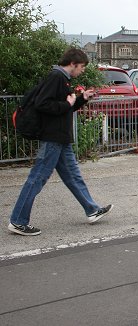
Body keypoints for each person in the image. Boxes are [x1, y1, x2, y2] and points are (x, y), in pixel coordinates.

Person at [8, 48, 113, 236]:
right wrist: (69, 103)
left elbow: (64, 108)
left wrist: (81, 99)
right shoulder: (57, 77)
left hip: (60, 138)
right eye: (81, 67)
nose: (82, 71)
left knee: (73, 176)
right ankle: (17, 221)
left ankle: (91, 209)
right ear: (73, 64)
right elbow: (43, 104)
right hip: (53, 138)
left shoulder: (62, 78)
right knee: (37, 178)